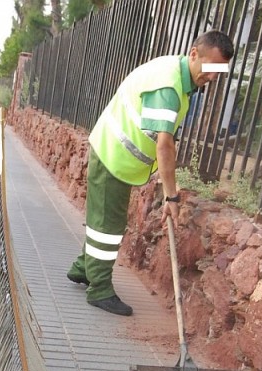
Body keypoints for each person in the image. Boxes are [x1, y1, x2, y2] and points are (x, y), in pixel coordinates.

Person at [66, 30, 235, 316]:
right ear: (194, 54)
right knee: (107, 227)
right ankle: (99, 289)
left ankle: (84, 268)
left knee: (105, 221)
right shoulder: (169, 87)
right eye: (210, 68)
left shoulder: (175, 73)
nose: (212, 77)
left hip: (115, 154)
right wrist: (171, 196)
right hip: (113, 155)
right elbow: (165, 146)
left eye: (219, 72)